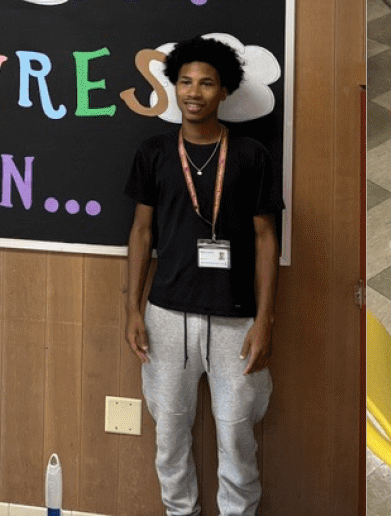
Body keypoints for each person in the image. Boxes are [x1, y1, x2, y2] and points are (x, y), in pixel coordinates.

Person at [124, 36, 281, 516]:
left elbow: (264, 238)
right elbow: (141, 231)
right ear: (173, 86)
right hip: (166, 313)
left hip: (236, 317)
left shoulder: (251, 155)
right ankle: (180, 511)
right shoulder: (153, 152)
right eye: (186, 81)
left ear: (224, 91)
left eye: (207, 83)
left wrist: (265, 320)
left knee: (236, 430)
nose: (194, 92)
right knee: (169, 432)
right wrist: (132, 308)